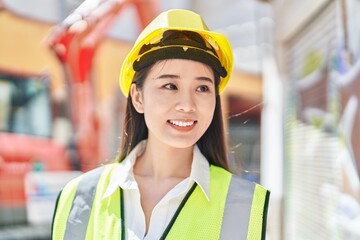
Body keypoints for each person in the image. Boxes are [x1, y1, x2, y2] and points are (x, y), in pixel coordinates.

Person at [52, 9, 270, 240]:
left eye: (202, 88)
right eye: (170, 86)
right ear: (138, 97)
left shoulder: (244, 204)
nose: (187, 105)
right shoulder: (78, 197)